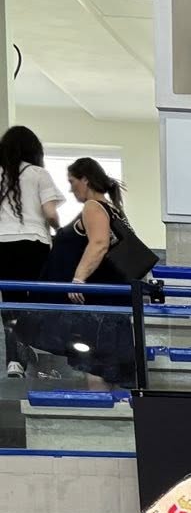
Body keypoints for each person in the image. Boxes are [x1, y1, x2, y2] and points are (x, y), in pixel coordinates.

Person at [31, 157, 137, 387]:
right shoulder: (112, 209)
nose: (71, 189)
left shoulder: (93, 207)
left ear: (85, 180)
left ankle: (99, 406)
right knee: (105, 365)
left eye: (72, 181)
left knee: (97, 364)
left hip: (98, 304)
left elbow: (99, 244)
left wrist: (78, 279)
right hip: (108, 302)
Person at [0, 125, 62, 379]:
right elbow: (50, 213)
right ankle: (33, 349)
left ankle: (14, 361)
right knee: (36, 301)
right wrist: (61, 231)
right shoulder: (38, 174)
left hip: (2, 244)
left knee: (10, 303)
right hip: (34, 244)